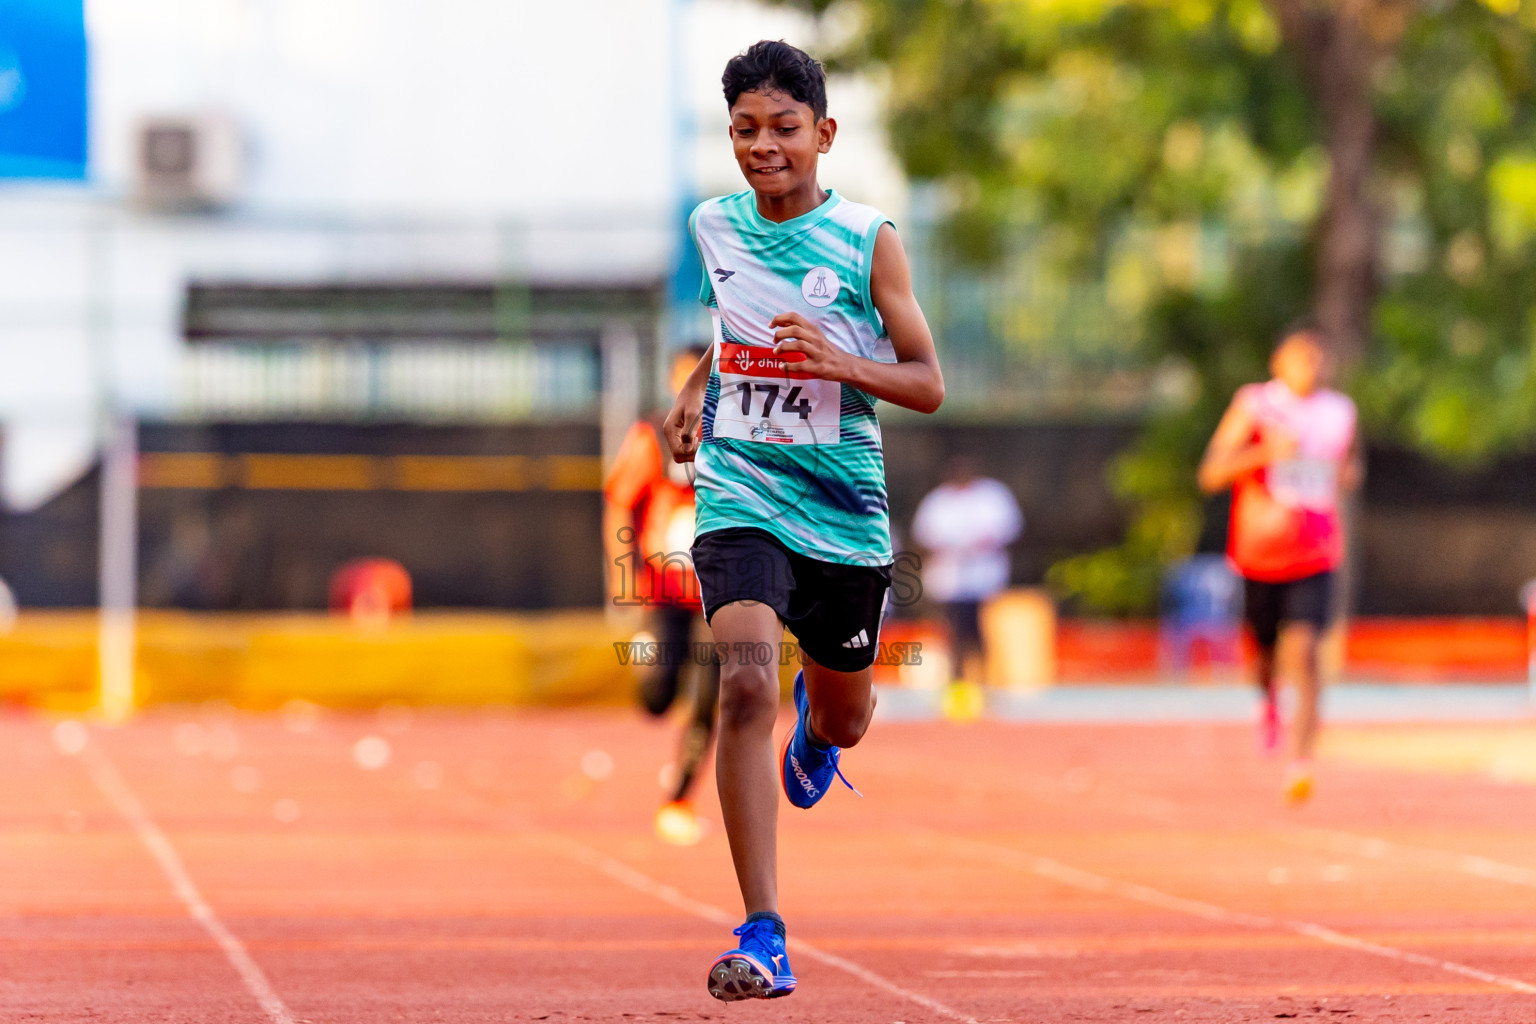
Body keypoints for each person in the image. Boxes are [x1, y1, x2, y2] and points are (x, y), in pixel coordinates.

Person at [663, 40, 944, 1002]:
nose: (764, 146)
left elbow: (928, 382)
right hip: (738, 491)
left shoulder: (870, 241)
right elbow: (729, 331)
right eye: (746, 130)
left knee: (845, 714)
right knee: (743, 687)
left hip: (842, 515)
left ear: (823, 135)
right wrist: (698, 390)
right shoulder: (713, 227)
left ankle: (820, 741)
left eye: (784, 129)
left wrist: (842, 363)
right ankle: (765, 932)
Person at [1198, 322, 1360, 804]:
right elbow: (1211, 472)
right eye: (1299, 359)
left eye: (1317, 360)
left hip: (1317, 549)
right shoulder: (1255, 405)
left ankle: (1301, 761)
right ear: (1278, 364)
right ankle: (1267, 699)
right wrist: (1268, 451)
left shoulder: (1339, 412)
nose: (1310, 369)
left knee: (1307, 652)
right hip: (1259, 551)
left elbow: (1351, 466)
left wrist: (1343, 472)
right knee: (1265, 653)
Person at [603, 346, 720, 847]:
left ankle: (679, 796)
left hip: (721, 596)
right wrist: (622, 572)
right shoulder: (652, 433)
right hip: (664, 591)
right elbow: (619, 503)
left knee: (711, 703)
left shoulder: (740, 434)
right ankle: (655, 684)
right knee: (656, 694)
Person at [911, 455, 1022, 686]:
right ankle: (957, 682)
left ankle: (987, 681)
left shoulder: (992, 496)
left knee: (982, 632)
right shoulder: (938, 501)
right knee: (954, 634)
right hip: (949, 581)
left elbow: (1009, 530)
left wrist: (981, 543)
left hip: (984, 580)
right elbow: (923, 538)